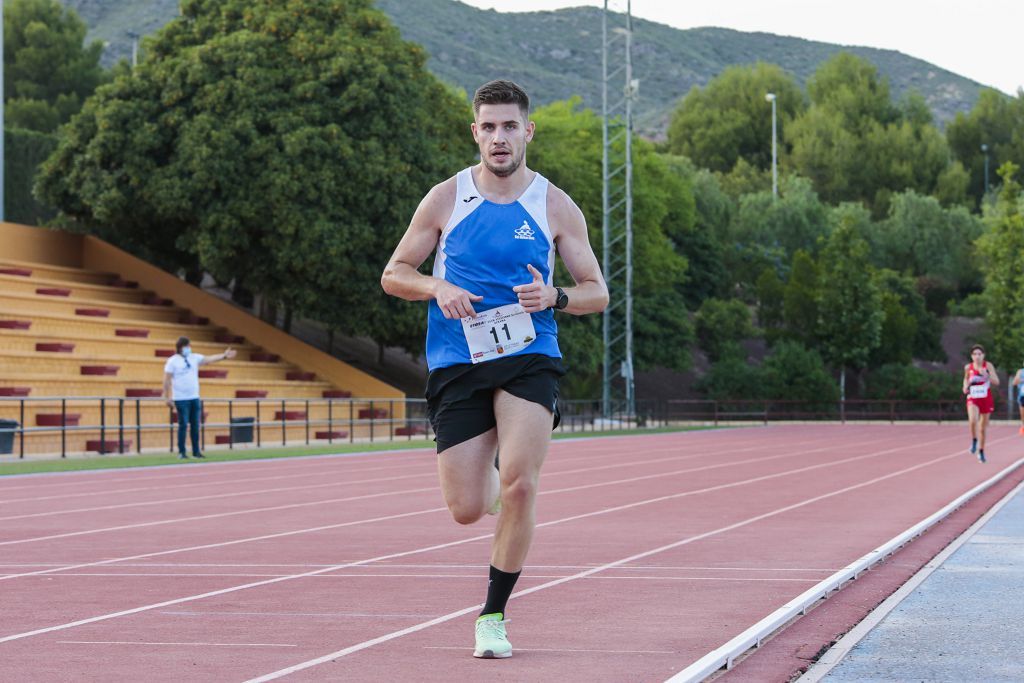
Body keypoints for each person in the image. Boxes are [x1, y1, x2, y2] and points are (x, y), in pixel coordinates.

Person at [381, 79, 608, 659]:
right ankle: (495, 495)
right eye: (489, 127)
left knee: (522, 483)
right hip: (459, 358)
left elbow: (596, 292)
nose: (499, 137)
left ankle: (492, 616)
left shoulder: (555, 204)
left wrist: (554, 297)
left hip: (529, 356)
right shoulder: (445, 198)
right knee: (464, 508)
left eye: (510, 126)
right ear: (475, 132)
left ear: (528, 131)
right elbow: (395, 273)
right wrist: (436, 286)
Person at [162, 336, 236, 460]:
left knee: (196, 425)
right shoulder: (172, 361)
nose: (189, 348)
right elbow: (167, 379)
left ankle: (196, 451)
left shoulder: (194, 358)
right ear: (180, 347)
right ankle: (182, 452)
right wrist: (166, 397)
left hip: (194, 397)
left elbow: (208, 359)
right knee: (183, 425)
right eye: (187, 346)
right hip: (181, 398)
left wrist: (223, 356)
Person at [962, 344, 998, 463]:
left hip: (985, 398)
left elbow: (996, 381)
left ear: (983, 355)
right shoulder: (968, 367)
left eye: (979, 354)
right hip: (973, 397)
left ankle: (981, 451)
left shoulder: (988, 366)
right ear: (972, 356)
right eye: (975, 354)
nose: (977, 356)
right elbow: (966, 379)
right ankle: (974, 440)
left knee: (982, 428)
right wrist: (965, 386)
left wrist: (986, 375)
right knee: (972, 420)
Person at [1013, 364, 1024, 435]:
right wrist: (1022, 380)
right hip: (1022, 395)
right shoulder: (1020, 372)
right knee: (1023, 414)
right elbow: (1014, 382)